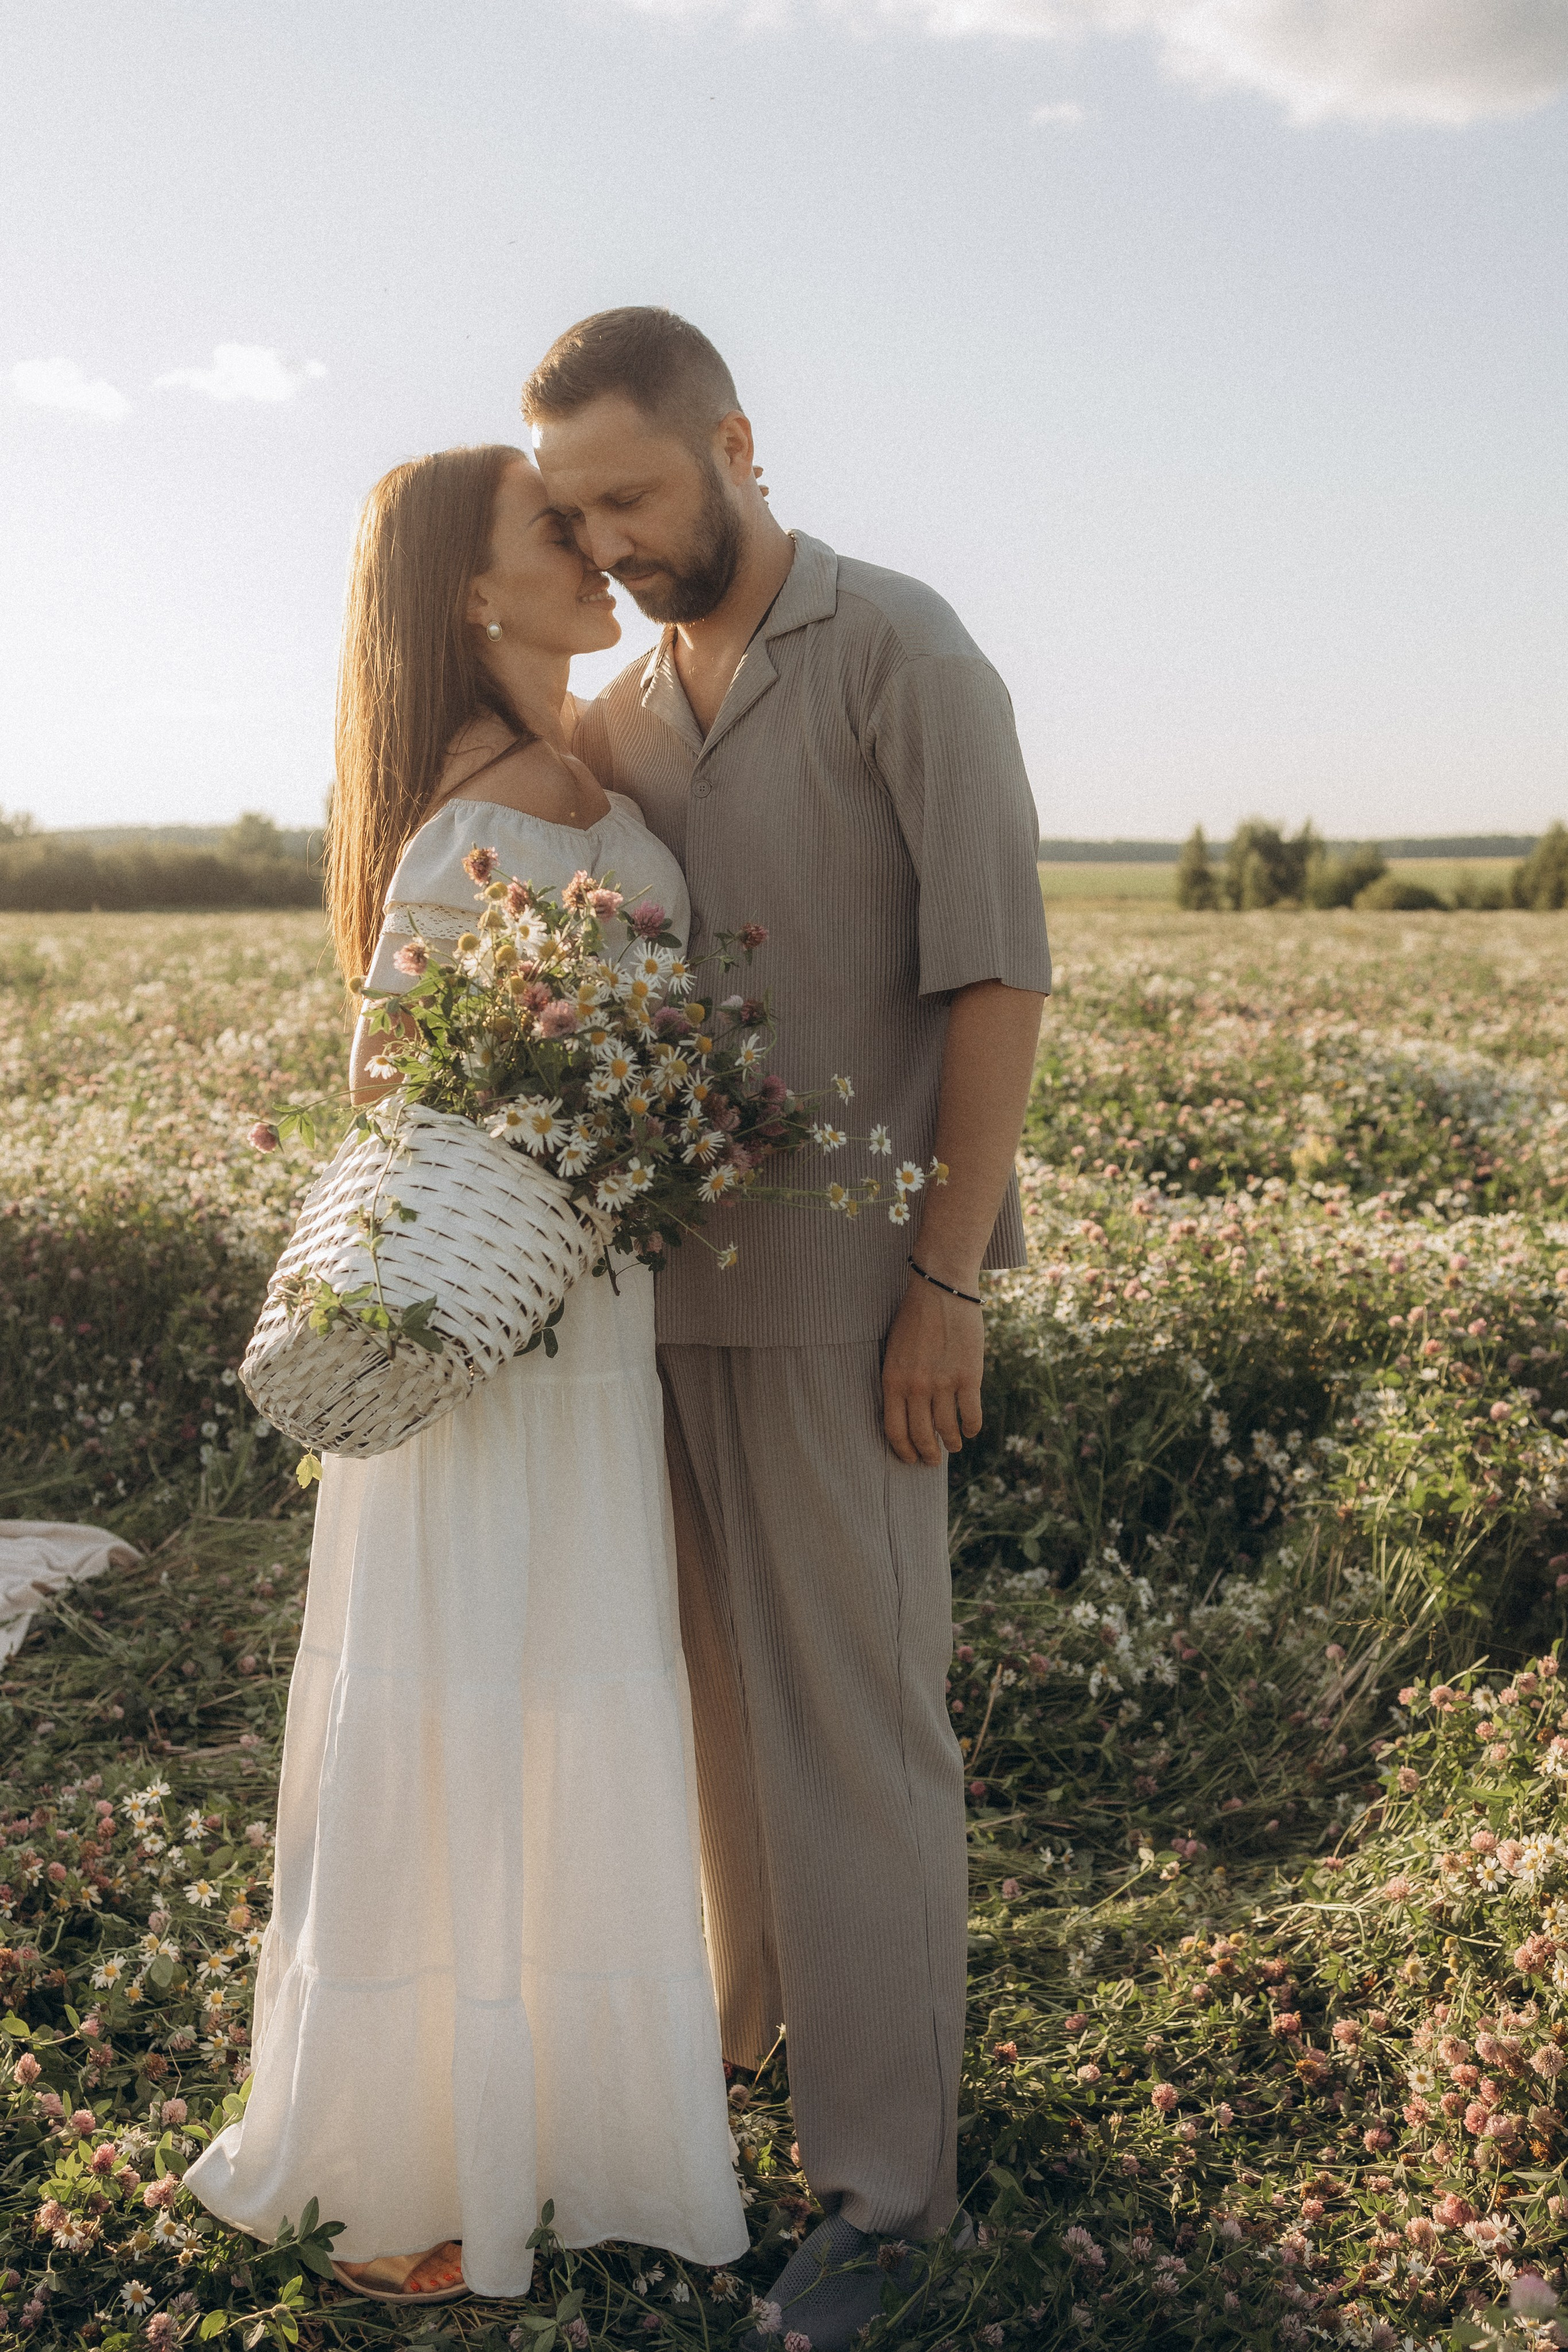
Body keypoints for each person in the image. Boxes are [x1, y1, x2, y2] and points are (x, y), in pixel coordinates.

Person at [527, 307, 1051, 2352]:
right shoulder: (626, 716)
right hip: (659, 1302)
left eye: (636, 494)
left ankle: (890, 2203)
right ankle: (738, 2070)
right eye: (578, 513)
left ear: (737, 442)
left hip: (858, 1303)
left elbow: (994, 982)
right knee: (715, 1724)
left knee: (857, 1736)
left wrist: (949, 1280)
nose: (615, 542)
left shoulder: (904, 651)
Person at [183, 443, 749, 2304]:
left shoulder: (595, 772)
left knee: (570, 1689)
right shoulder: (476, 813)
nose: (593, 555)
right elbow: (389, 1093)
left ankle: (569, 2129)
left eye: (594, 526)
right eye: (551, 534)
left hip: (587, 1325)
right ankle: (426, 2154)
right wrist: (569, 1098)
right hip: (492, 1332)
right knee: (468, 1695)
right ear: (468, 596)